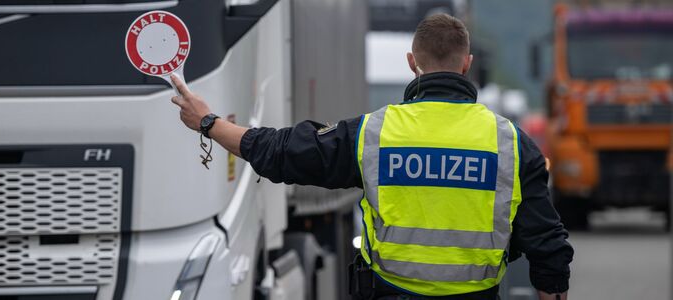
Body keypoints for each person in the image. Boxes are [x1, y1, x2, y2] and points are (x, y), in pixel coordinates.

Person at [170, 13, 572, 300]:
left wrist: (208, 122)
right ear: (467, 64)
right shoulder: (511, 144)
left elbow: (282, 151)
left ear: (412, 63)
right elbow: (546, 242)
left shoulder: (374, 135)